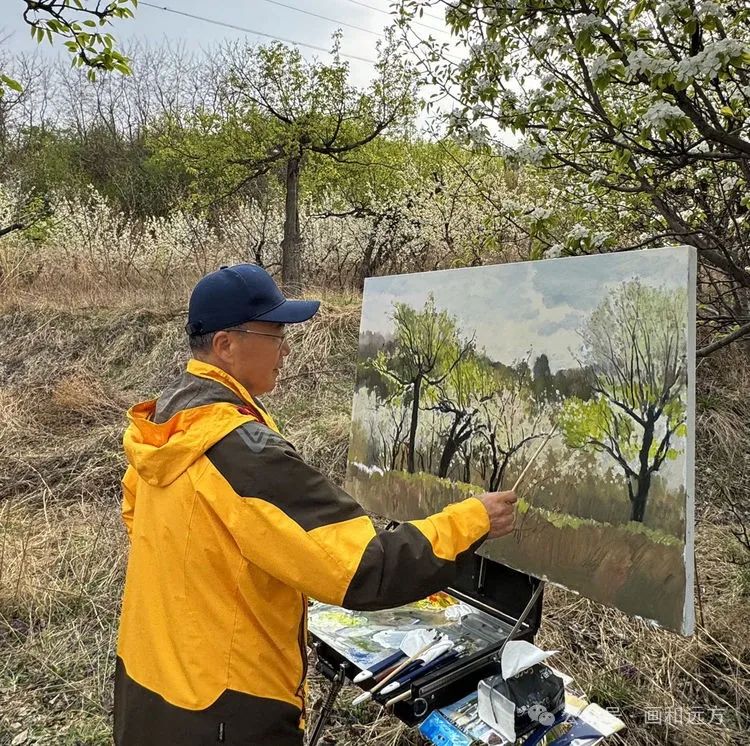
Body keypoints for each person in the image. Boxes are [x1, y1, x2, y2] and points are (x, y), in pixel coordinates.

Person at [114, 264, 518, 746]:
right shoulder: (242, 451)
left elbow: (141, 520)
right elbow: (363, 566)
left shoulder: (166, 422)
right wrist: (472, 520)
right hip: (224, 711)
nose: (285, 348)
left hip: (148, 683)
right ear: (226, 345)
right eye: (275, 333)